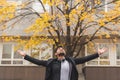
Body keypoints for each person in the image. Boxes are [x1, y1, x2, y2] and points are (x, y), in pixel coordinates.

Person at [17, 46, 107, 80]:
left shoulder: (71, 61)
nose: (61, 49)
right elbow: (38, 62)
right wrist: (25, 56)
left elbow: (84, 59)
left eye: (62, 48)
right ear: (56, 54)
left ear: (64, 52)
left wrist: (97, 54)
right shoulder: (51, 62)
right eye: (59, 49)